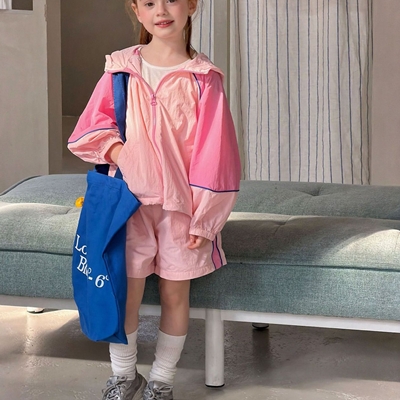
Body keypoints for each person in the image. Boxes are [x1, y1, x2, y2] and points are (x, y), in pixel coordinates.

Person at [68, 0, 241, 399]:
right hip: (127, 207)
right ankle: (124, 376)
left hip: (182, 210)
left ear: (191, 5)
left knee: (175, 293)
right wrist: (121, 153)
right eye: (149, 2)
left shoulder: (204, 78)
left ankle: (162, 382)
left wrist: (205, 220)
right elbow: (93, 125)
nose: (161, 10)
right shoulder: (121, 69)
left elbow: (217, 156)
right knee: (124, 292)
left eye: (171, 0)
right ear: (137, 10)